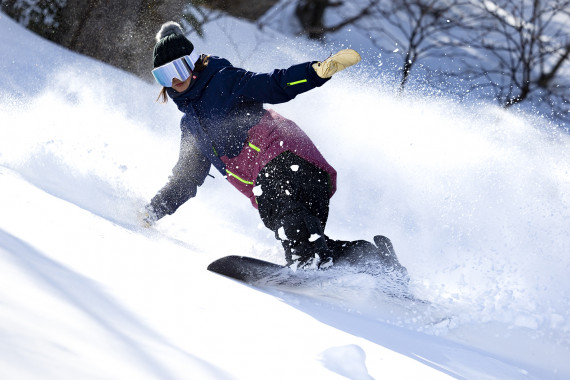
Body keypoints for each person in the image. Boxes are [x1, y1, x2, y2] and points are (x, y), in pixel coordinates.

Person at [141, 21, 407, 280]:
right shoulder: (191, 126)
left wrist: (316, 72)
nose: (175, 79)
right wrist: (153, 210)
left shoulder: (223, 80)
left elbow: (273, 84)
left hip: (286, 160)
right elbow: (186, 178)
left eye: (180, 67)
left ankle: (308, 264)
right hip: (279, 182)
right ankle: (373, 261)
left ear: (194, 62)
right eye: (164, 75)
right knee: (307, 240)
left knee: (290, 222)